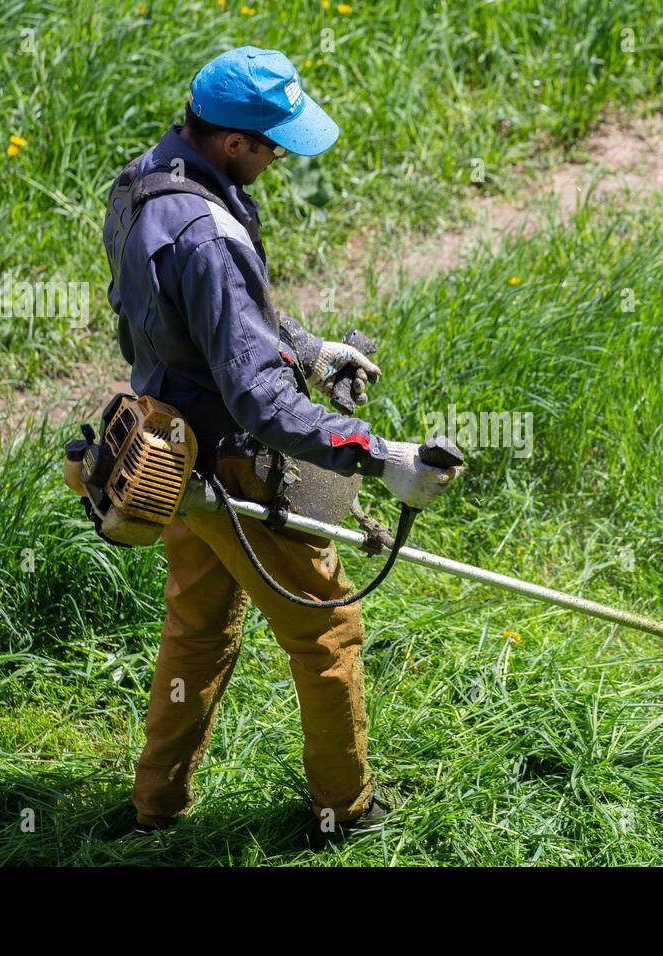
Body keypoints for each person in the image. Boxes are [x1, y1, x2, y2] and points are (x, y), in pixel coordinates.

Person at [101, 46, 461, 844]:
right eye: (273, 145)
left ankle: (154, 809)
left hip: (166, 450)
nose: (279, 158)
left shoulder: (145, 181)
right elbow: (260, 400)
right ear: (234, 141)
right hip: (230, 461)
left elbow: (205, 321)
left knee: (194, 628)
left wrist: (307, 349)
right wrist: (380, 455)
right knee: (327, 630)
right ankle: (348, 810)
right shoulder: (206, 233)